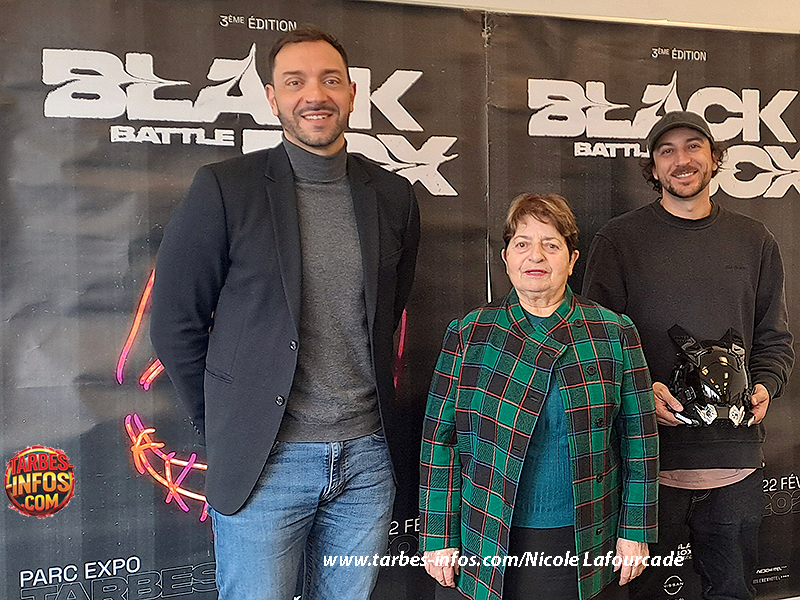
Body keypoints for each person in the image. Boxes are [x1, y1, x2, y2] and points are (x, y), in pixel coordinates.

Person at [149, 24, 420, 600]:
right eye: (295, 82)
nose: (314, 95)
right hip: (265, 463)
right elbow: (175, 324)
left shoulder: (393, 195)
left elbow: (387, 310)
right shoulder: (226, 188)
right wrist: (228, 423)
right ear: (272, 99)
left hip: (367, 463)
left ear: (352, 93)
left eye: (330, 80)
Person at [582, 111, 794, 600]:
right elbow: (594, 346)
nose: (682, 160)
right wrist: (640, 394)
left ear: (714, 158)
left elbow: (774, 339)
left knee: (734, 592)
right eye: (667, 150)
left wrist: (766, 385)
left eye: (694, 146)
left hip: (736, 461)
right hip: (647, 463)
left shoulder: (754, 240)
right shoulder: (619, 240)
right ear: (653, 167)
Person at [419, 193, 658, 600]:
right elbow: (439, 442)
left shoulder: (613, 332)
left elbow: (640, 440)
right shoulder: (470, 333)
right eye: (522, 243)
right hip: (487, 532)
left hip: (587, 535)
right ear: (506, 257)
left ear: (572, 259)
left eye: (551, 244)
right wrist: (438, 535)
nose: (536, 256)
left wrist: (635, 530)